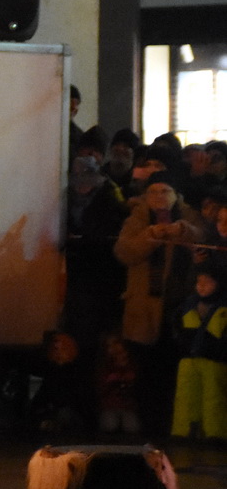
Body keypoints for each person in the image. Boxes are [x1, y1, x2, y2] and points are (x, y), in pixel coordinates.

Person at [114, 176, 204, 434]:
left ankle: (173, 422)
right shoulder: (138, 219)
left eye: (166, 191)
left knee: (173, 366)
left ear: (177, 195)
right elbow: (124, 252)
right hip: (145, 306)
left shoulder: (189, 216)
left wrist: (182, 231)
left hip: (180, 303)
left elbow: (203, 239)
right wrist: (150, 235)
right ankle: (149, 423)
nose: (160, 197)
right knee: (145, 367)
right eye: (153, 192)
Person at [62, 154, 127, 352]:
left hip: (101, 266)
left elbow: (112, 228)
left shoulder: (108, 195)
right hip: (77, 265)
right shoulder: (66, 196)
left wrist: (84, 239)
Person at [172, 257, 227, 443]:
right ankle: (184, 431)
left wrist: (220, 350)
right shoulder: (188, 304)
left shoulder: (223, 307)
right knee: (185, 397)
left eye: (208, 282)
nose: (202, 286)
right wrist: (182, 342)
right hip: (188, 358)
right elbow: (177, 325)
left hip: (214, 360)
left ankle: (214, 434)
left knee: (214, 398)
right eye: (199, 282)